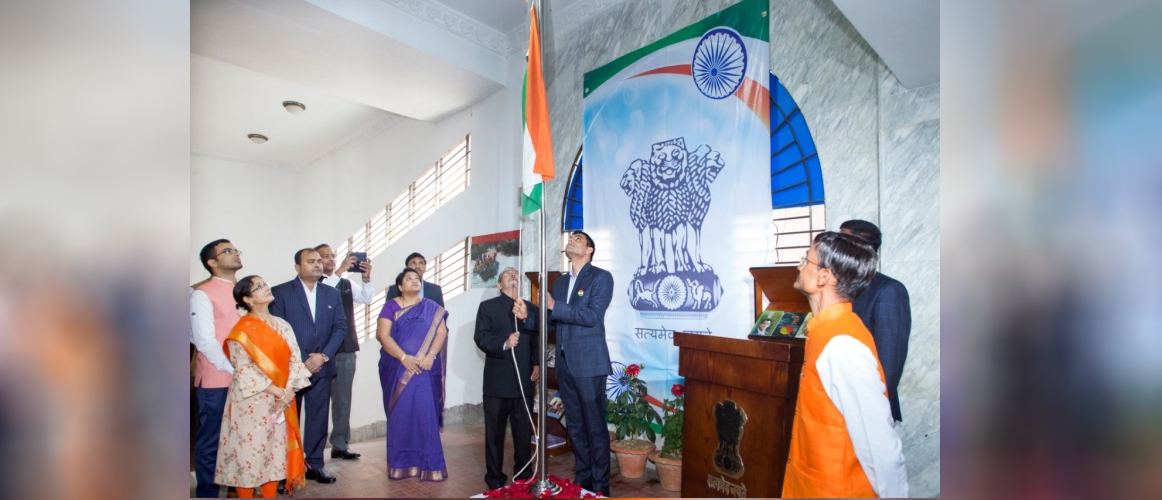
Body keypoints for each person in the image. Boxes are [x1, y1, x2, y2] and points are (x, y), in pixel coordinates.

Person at [782, 232, 907, 498]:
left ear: (824, 276)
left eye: (806, 260)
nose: (799, 265)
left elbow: (880, 445)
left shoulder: (842, 344)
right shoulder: (824, 330)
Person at [215, 276, 312, 498]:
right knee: (249, 458)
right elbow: (244, 371)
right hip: (251, 404)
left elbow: (295, 361)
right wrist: (279, 392)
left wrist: (288, 392)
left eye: (265, 283)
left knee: (273, 455)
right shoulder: (241, 331)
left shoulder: (283, 325)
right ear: (247, 299)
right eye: (258, 287)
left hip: (282, 402)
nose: (266, 287)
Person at [545, 230, 613, 497]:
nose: (571, 240)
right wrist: (529, 315)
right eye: (570, 238)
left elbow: (591, 316)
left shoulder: (600, 278)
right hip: (565, 365)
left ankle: (600, 487)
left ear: (590, 250)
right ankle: (582, 482)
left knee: (594, 426)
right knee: (575, 426)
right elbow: (551, 320)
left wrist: (553, 306)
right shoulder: (560, 283)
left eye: (579, 239)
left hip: (589, 364)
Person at [270, 248, 348, 484]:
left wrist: (322, 356)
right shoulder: (280, 292)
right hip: (291, 369)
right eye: (310, 261)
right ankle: (285, 470)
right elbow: (278, 329)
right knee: (287, 419)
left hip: (322, 368)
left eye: (319, 261)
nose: (317, 264)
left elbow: (340, 327)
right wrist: (304, 359)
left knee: (318, 417)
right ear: (297, 267)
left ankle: (314, 464)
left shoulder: (331, 294)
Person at [376, 268, 450, 481]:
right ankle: (400, 465)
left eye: (417, 278)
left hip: (423, 370)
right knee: (401, 416)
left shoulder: (432, 308)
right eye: (409, 279)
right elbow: (383, 335)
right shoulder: (390, 306)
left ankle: (430, 465)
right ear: (400, 287)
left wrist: (431, 356)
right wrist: (403, 358)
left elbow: (441, 332)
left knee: (425, 416)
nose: (414, 281)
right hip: (398, 368)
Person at [473, 267, 541, 490]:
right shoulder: (487, 307)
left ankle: (523, 472)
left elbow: (537, 341)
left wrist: (538, 363)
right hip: (497, 382)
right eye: (506, 274)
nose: (512, 275)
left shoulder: (531, 309)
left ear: (520, 284)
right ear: (499, 285)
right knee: (495, 433)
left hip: (523, 382)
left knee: (523, 432)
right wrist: (504, 343)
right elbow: (481, 338)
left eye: (515, 274)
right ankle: (494, 477)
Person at [839, 219, 912, 423]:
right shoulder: (837, 286)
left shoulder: (888, 290)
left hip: (867, 409)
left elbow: (889, 363)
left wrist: (871, 413)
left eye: (841, 243)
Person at [190, 239, 242, 497]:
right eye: (228, 251)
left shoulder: (244, 292)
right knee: (211, 440)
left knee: (239, 437)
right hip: (217, 378)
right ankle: (207, 491)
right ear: (212, 262)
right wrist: (233, 368)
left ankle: (236, 486)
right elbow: (203, 341)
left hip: (246, 380)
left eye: (236, 249)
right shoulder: (203, 293)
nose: (236, 253)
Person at [316, 244, 374, 460]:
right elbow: (324, 293)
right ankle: (314, 449)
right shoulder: (315, 283)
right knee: (319, 400)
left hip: (346, 347)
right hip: (321, 350)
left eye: (333, 256)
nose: (331, 259)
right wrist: (340, 270)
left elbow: (366, 298)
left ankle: (340, 444)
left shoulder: (345, 282)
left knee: (343, 399)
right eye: (325, 257)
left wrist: (366, 279)